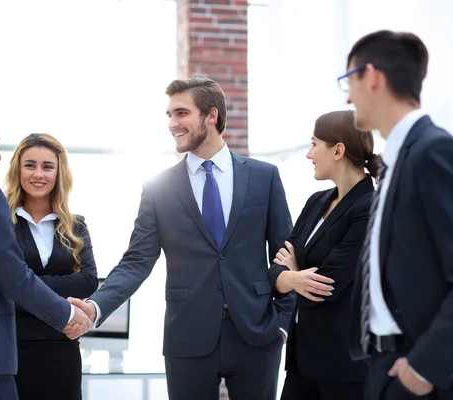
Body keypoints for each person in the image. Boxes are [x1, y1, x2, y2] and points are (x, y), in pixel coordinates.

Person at [67, 78, 295, 400]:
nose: (172, 124)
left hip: (257, 335)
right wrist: (95, 307)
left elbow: (286, 254)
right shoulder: (158, 188)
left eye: (181, 113)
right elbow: (136, 261)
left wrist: (282, 323)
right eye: (169, 115)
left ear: (211, 115)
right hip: (187, 336)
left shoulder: (264, 176)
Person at [0, 95, 93, 400]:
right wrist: (66, 311)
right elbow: (11, 276)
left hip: (42, 352)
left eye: (48, 166)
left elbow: (88, 279)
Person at [344, 30, 453, 399]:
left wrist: (426, 366)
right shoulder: (394, 161)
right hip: (382, 366)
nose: (348, 96)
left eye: (350, 80)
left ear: (372, 77)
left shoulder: (433, 151)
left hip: (420, 373)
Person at [273, 110, 374, 400]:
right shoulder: (316, 200)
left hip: (343, 367)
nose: (309, 154)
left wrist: (290, 275)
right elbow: (276, 267)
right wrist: (292, 276)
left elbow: (327, 286)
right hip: (301, 362)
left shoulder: (369, 207)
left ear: (338, 150)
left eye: (315, 144)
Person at [4, 133, 98, 400]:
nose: (38, 174)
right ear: (18, 169)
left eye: (48, 166)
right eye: (30, 165)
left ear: (59, 173)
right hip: (12, 349)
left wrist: (22, 283)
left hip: (62, 348)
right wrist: (60, 284)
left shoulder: (75, 225)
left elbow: (89, 280)